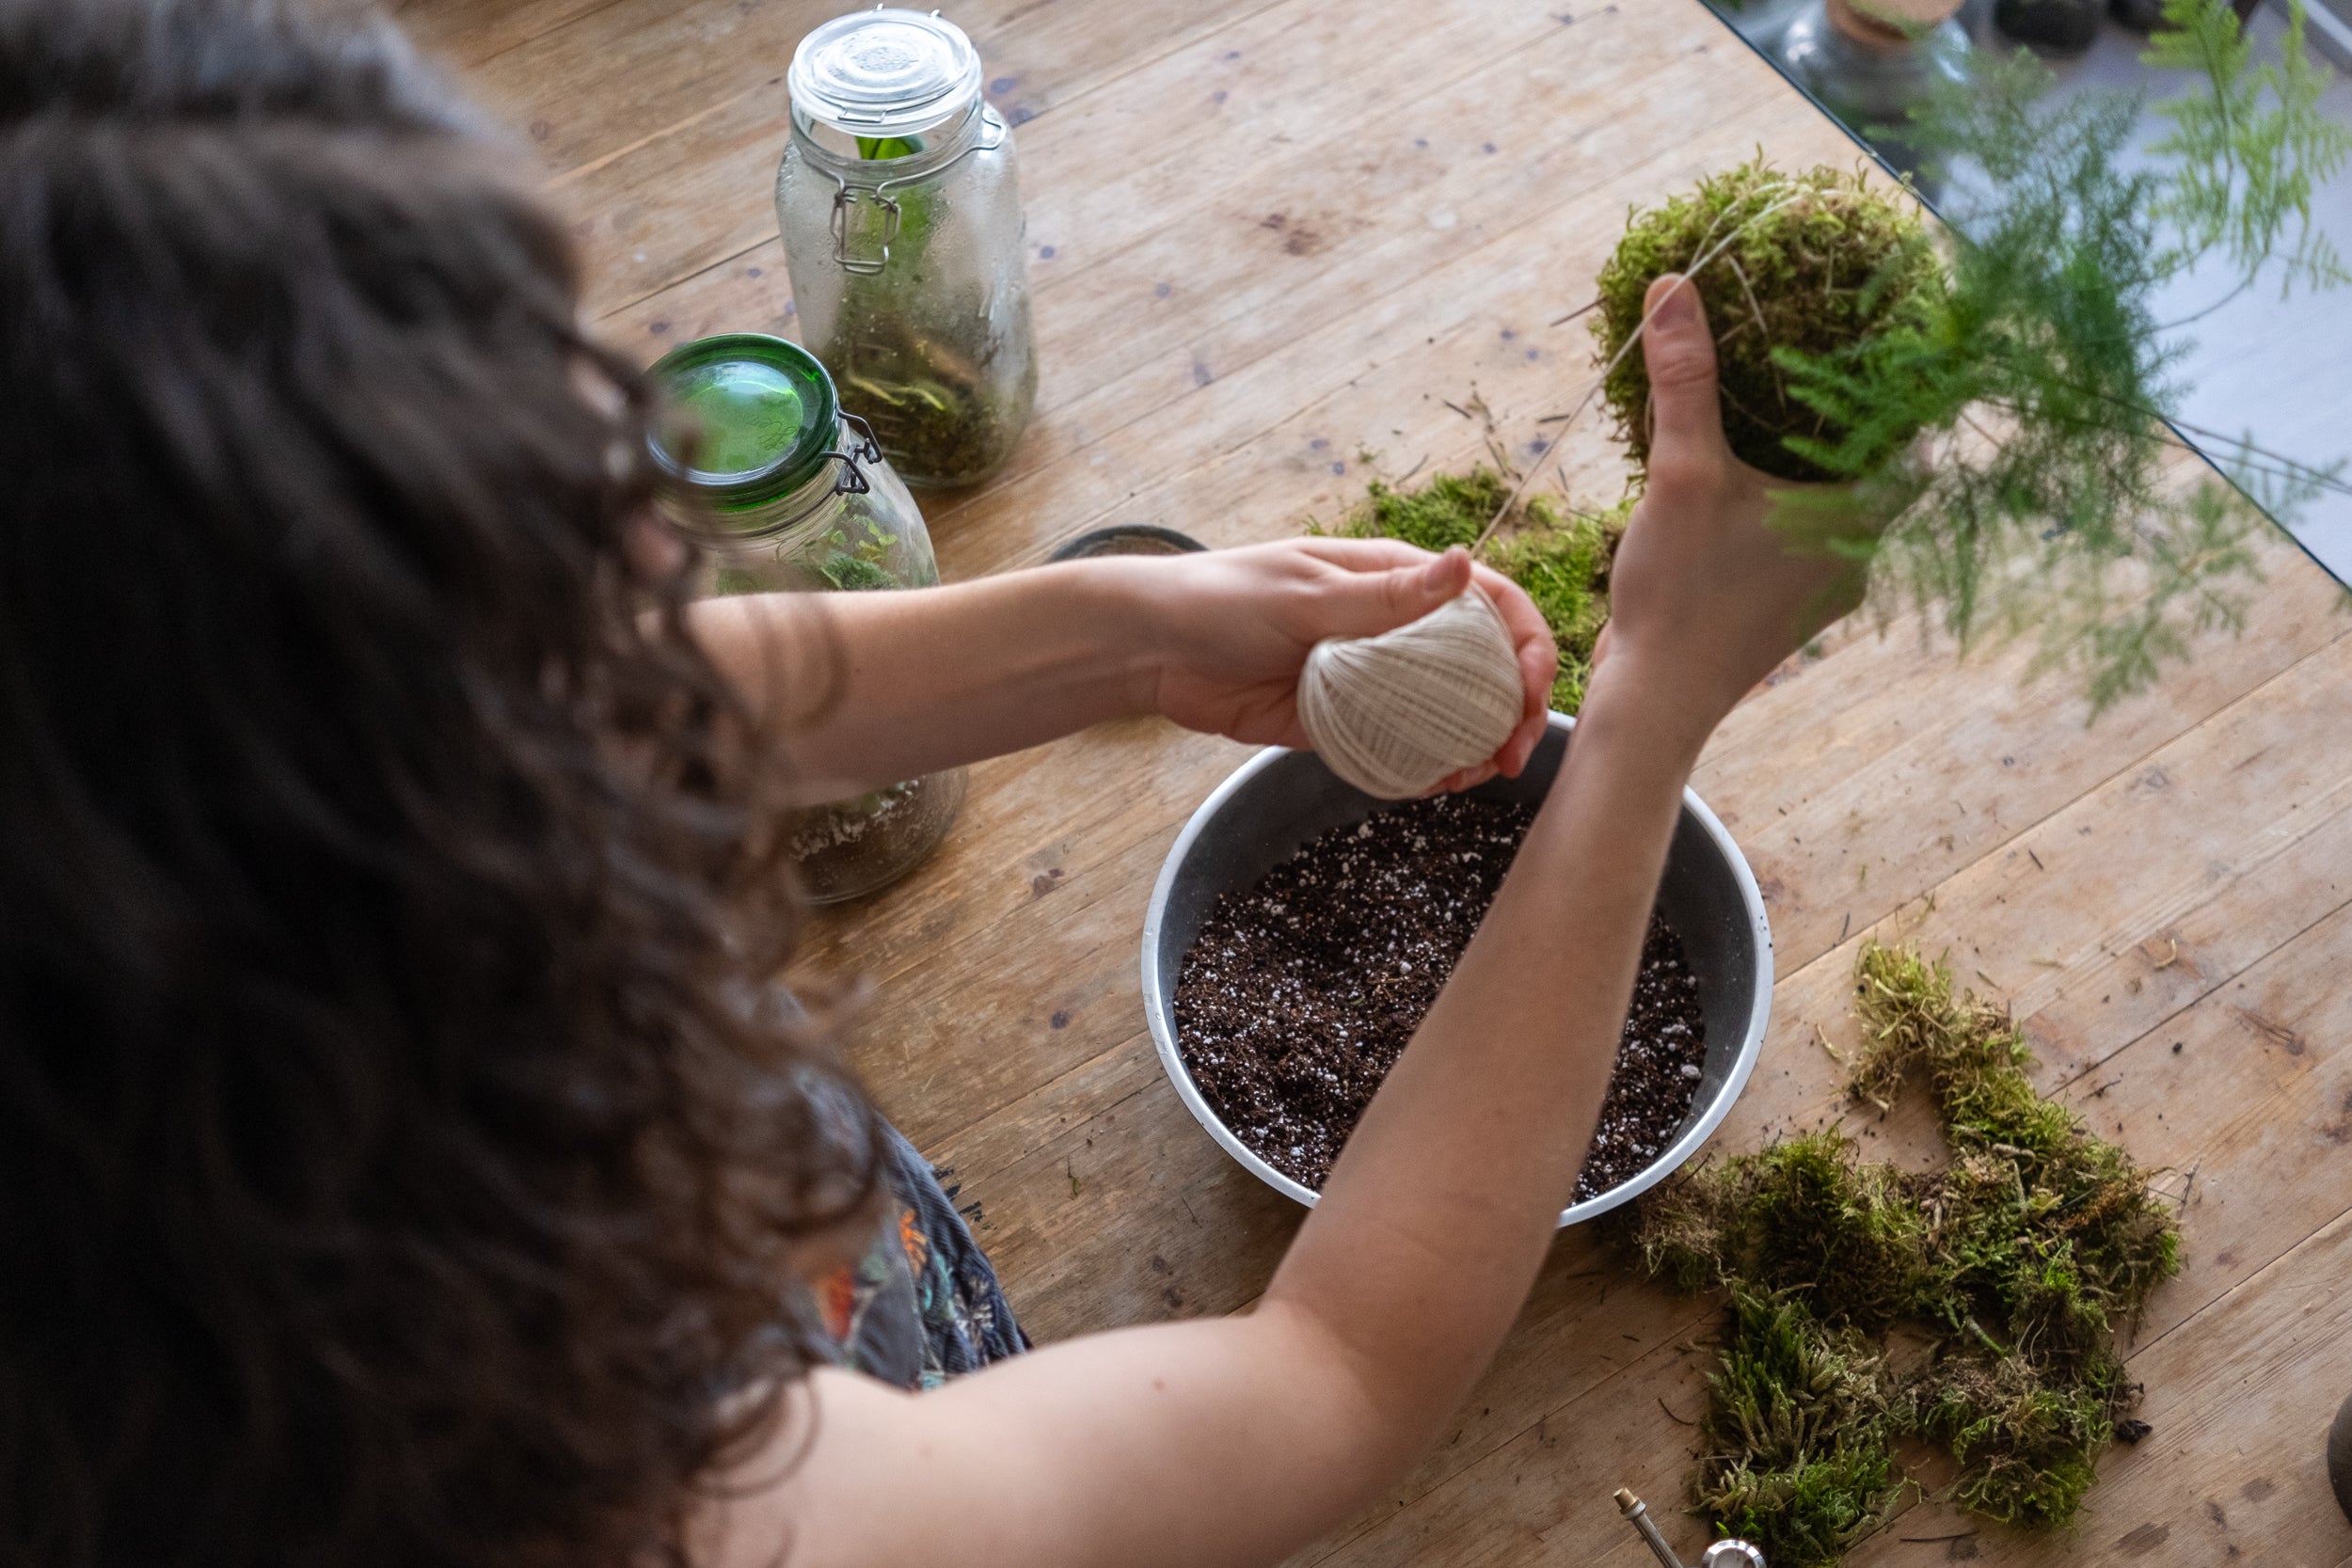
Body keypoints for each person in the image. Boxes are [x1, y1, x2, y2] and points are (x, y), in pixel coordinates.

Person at [0, 3, 1863, 1566]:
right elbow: (1327, 1385)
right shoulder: (641, 1491)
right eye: (575, 543)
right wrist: (1641, 725)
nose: (666, 569)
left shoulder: (131, 860)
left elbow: (492, 700)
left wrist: (1109, 637)